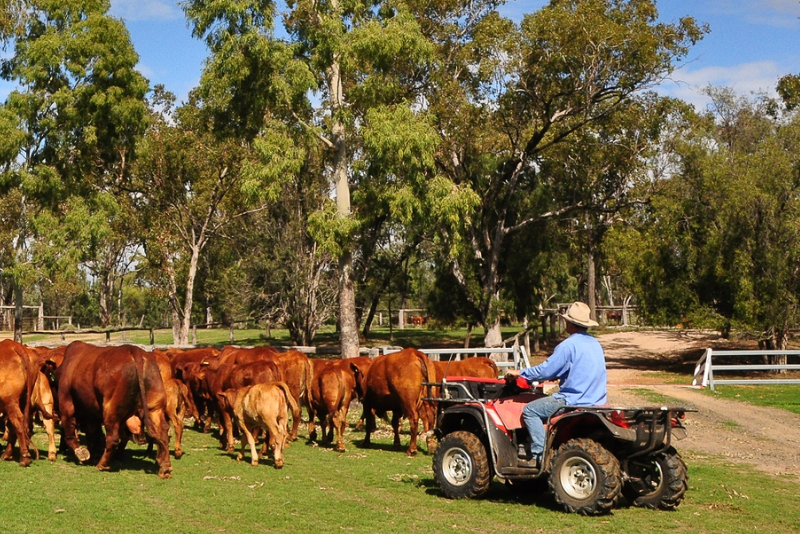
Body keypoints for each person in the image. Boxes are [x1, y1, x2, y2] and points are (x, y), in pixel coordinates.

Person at [505, 301, 607, 466]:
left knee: (530, 410)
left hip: (572, 400)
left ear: (570, 323)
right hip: (597, 399)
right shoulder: (595, 344)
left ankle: (539, 455)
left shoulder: (568, 346)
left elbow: (545, 371)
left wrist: (520, 373)